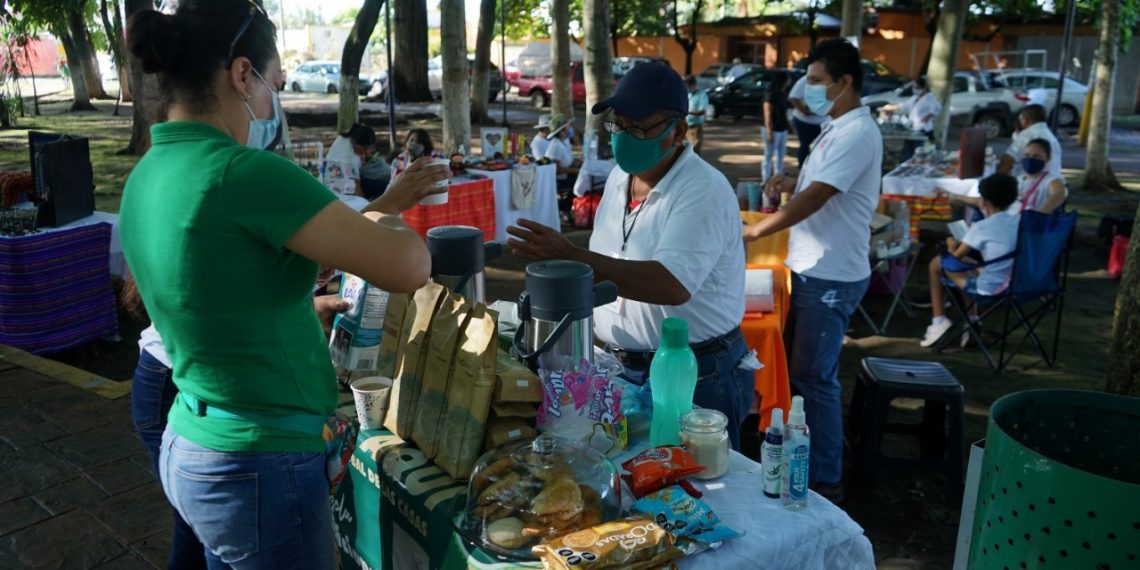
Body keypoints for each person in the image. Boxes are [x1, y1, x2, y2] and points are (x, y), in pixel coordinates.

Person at [120, 2, 448, 568]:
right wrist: (389, 214)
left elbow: (210, 290)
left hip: (195, 436)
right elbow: (409, 266)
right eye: (274, 83)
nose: (272, 102)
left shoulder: (148, 171)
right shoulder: (243, 172)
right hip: (257, 459)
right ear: (241, 74)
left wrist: (289, 304)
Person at [505, 63, 750, 450]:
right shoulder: (621, 176)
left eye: (638, 128)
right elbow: (612, 258)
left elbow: (671, 284)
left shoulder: (702, 189)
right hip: (619, 370)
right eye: (617, 125)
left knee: (701, 489)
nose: (623, 137)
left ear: (678, 132)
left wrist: (573, 256)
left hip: (695, 377)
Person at [742, 39, 882, 499]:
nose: (812, 90)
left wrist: (757, 232)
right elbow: (814, 185)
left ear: (846, 82)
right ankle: (798, 457)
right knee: (797, 372)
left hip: (831, 275)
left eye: (820, 82)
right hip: (808, 266)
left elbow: (818, 196)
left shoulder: (857, 132)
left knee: (813, 378)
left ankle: (825, 476)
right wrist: (790, 180)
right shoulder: (834, 126)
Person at [920, 174, 1020, 347]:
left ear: (984, 202)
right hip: (1017, 283)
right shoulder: (1020, 221)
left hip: (990, 289)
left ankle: (938, 321)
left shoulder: (982, 227)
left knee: (936, 264)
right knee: (971, 266)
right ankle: (972, 322)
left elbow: (953, 261)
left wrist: (951, 244)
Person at [938, 138, 1066, 215]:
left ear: (1047, 158)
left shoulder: (1050, 180)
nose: (1030, 159)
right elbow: (985, 200)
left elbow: (1059, 193)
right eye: (1026, 155)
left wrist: (1038, 217)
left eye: (1036, 156)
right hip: (1007, 223)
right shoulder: (1018, 179)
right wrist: (954, 195)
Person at [999, 104, 1062, 176]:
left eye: (1020, 120)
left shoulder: (1027, 134)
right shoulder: (1051, 136)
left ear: (1025, 120)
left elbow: (1007, 161)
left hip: (1030, 183)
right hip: (1052, 181)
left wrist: (997, 179)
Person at [325, 122, 376, 197]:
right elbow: (356, 186)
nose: (368, 152)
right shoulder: (348, 157)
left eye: (371, 148)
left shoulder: (346, 138)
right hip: (339, 186)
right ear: (354, 143)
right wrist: (364, 203)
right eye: (365, 148)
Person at [788, 74, 829, 167]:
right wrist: (804, 111)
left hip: (824, 121)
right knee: (805, 146)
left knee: (822, 147)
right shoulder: (805, 80)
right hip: (804, 122)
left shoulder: (833, 79)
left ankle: (818, 167)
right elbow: (793, 97)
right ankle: (803, 168)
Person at [762, 71, 790, 182]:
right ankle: (766, 178)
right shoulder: (770, 95)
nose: (789, 81)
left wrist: (788, 126)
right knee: (769, 155)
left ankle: (778, 176)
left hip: (782, 128)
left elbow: (784, 112)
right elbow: (767, 115)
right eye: (788, 79)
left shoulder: (782, 93)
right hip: (773, 129)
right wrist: (770, 132)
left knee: (781, 154)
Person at [685, 75, 708, 155]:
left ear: (692, 84)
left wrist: (687, 112)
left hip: (695, 127)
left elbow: (702, 111)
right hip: (686, 126)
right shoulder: (688, 95)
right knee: (686, 151)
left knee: (695, 151)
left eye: (687, 86)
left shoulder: (702, 95)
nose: (686, 88)